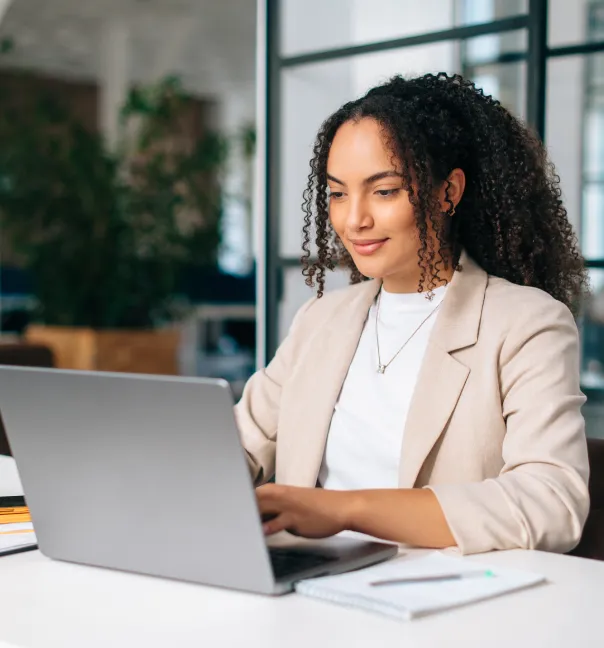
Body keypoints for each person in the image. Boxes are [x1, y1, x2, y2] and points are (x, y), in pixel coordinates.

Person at [236, 73, 590, 555]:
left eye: (384, 191)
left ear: (448, 192)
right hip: (308, 590)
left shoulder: (526, 324)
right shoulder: (321, 321)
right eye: (338, 193)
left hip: (440, 603)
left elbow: (553, 503)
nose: (354, 219)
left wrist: (343, 510)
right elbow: (233, 446)